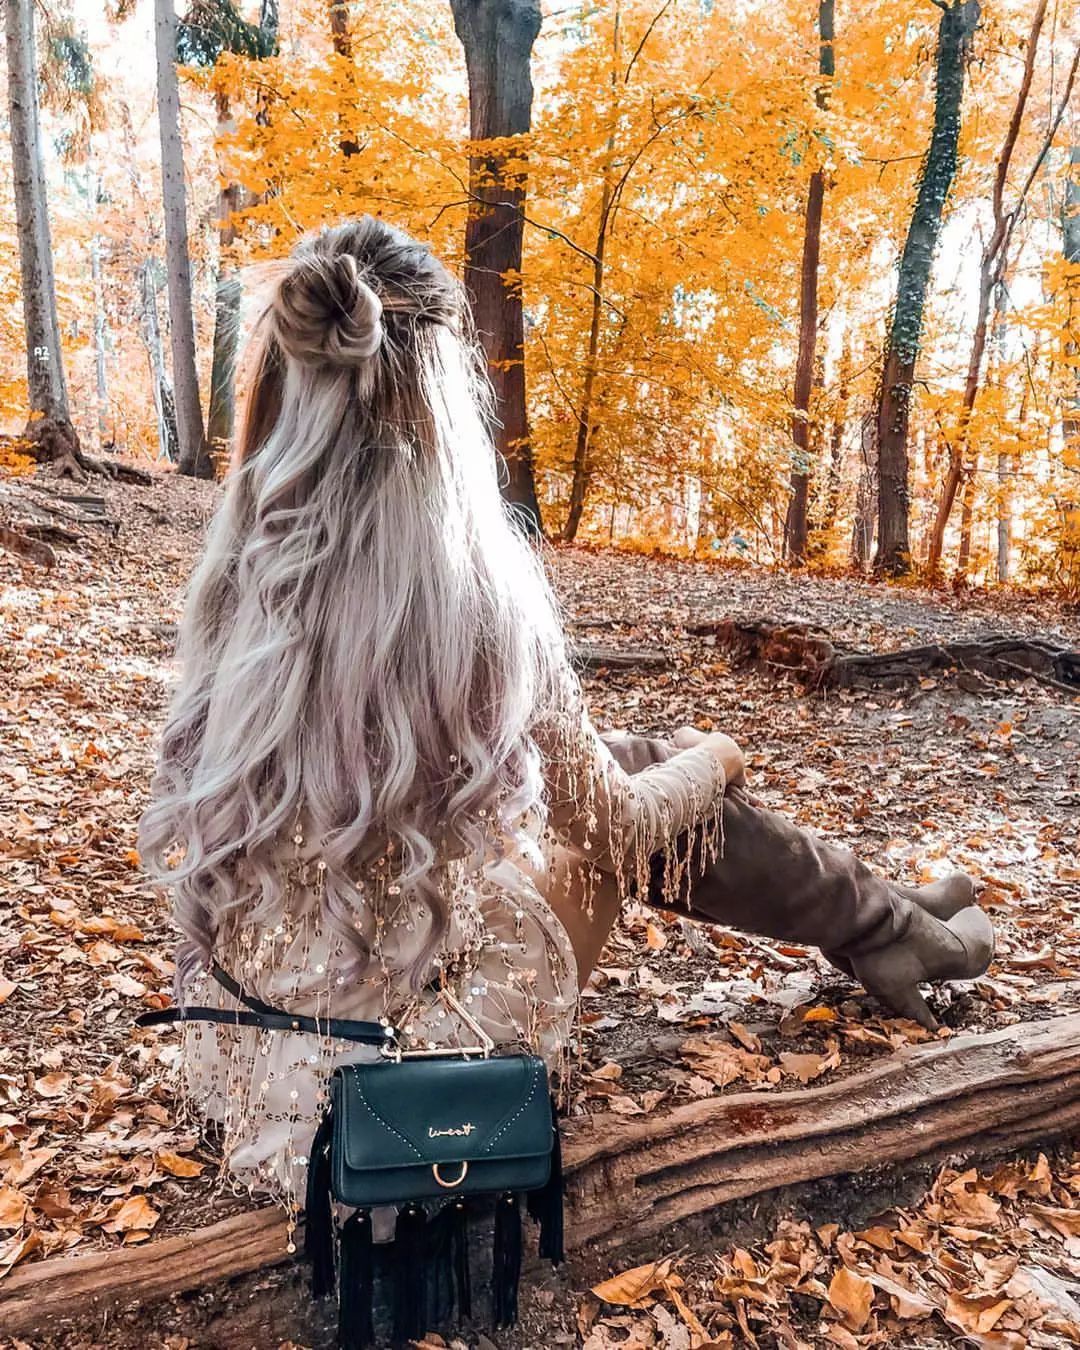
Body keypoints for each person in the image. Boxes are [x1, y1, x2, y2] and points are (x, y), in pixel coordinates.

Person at [138, 218, 992, 1230]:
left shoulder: (238, 578)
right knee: (645, 787)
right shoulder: (475, 603)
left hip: (254, 1061)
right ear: (443, 398)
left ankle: (888, 914)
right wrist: (711, 753)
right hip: (403, 1098)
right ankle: (887, 928)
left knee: (606, 767)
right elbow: (622, 829)